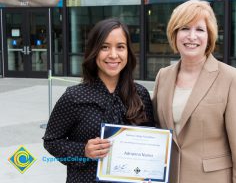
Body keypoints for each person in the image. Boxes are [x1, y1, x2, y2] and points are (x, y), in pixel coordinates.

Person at [43, 18, 154, 183]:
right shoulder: (74, 97)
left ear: (128, 52)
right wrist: (83, 151)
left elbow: (151, 141)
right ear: (94, 51)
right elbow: (51, 141)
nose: (113, 55)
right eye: (105, 47)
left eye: (120, 47)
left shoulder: (141, 94)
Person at [152, 0, 236, 183]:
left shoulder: (232, 79)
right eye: (184, 28)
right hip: (169, 177)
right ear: (174, 34)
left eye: (199, 29)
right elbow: (156, 129)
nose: (191, 36)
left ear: (209, 36)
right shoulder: (163, 76)